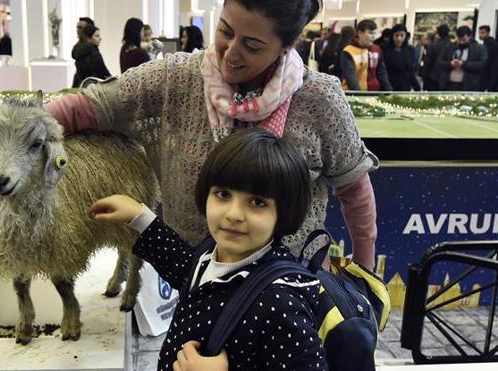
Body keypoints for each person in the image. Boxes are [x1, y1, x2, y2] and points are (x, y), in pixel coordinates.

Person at [45, 0, 379, 270]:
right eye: (226, 31)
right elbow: (91, 106)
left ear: (286, 45)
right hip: (196, 278)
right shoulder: (175, 79)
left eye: (252, 45)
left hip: (290, 288)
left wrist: (365, 279)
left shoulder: (319, 99)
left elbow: (355, 191)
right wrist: (15, 133)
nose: (231, 53)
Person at [89, 128, 332, 371]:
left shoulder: (279, 302)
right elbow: (187, 272)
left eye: (257, 202)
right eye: (223, 194)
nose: (233, 214)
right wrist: (140, 217)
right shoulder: (213, 252)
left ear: (285, 213)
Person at [340, 19, 393, 91]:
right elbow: (350, 76)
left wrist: (389, 91)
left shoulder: (377, 49)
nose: (373, 36)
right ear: (360, 33)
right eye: (370, 33)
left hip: (373, 93)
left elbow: (382, 73)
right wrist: (358, 94)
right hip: (352, 93)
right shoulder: (348, 51)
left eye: (375, 33)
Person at [436, 26, 486, 91]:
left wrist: (463, 64)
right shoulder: (450, 46)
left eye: (464, 40)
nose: (461, 42)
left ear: (470, 37)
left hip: (468, 86)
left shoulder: (479, 49)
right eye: (459, 39)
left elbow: (482, 65)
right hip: (448, 84)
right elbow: (439, 62)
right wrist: (450, 64)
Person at [383, 24, 419, 91]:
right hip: (388, 86)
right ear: (392, 36)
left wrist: (417, 89)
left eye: (402, 35)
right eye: (396, 35)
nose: (399, 38)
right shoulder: (384, 49)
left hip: (405, 87)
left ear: (406, 36)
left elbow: (411, 72)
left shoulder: (411, 50)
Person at [423, 24, 451, 91]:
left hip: (433, 78)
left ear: (438, 34)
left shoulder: (432, 46)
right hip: (447, 79)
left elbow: (427, 64)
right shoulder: (452, 46)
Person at [72, 17, 95, 86]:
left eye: (80, 28)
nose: (78, 30)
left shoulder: (89, 48)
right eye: (77, 28)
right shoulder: (84, 48)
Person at [478, 25, 498, 91]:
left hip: (490, 75)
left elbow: (487, 61)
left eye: (482, 33)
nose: (480, 35)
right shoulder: (487, 43)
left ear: (488, 33)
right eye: (479, 33)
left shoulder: (490, 44)